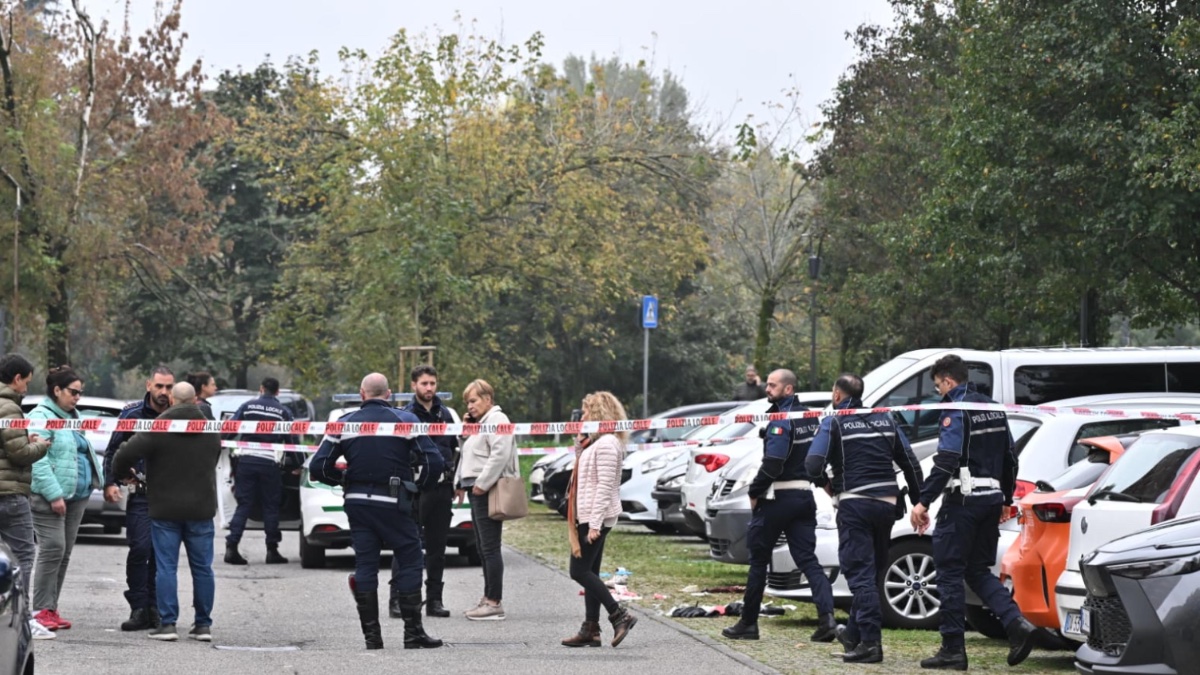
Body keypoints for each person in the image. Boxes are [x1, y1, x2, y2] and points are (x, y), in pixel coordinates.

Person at [910, 354, 1039, 670]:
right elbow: (1010, 458)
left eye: (939, 386)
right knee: (978, 570)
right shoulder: (992, 407)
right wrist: (1005, 498)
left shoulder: (955, 408)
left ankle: (953, 648)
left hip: (963, 501)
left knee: (950, 571)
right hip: (991, 499)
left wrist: (924, 501)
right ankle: (1017, 623)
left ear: (948, 381)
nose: (940, 393)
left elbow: (947, 458)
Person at [310, 373, 444, 650]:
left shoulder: (342, 424)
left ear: (361, 394)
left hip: (358, 502)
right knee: (409, 558)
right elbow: (435, 460)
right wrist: (419, 487)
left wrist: (345, 480)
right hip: (394, 500)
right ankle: (413, 633)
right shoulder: (405, 421)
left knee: (366, 564)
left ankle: (372, 637)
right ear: (390, 394)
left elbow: (319, 467)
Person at [805, 373, 924, 664]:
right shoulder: (885, 419)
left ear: (836, 396)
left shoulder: (833, 421)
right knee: (871, 573)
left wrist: (826, 484)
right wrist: (921, 502)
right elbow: (911, 464)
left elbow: (812, 464)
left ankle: (871, 645)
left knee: (860, 576)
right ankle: (854, 634)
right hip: (887, 505)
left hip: (855, 503)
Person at [721, 369, 837, 644]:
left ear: (788, 389)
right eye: (768, 383)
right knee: (808, 560)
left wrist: (755, 490)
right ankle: (827, 619)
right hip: (803, 498)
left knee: (759, 561)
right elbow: (816, 458)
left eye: (773, 385)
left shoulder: (781, 419)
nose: (767, 388)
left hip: (777, 499)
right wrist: (824, 484)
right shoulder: (811, 417)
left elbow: (773, 461)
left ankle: (748, 623)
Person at [113, 382, 222, 642]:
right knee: (203, 569)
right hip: (201, 508)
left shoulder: (158, 427)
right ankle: (203, 625)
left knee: (166, 568)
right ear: (196, 400)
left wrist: (124, 475)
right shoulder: (211, 428)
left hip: (165, 508)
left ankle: (168, 624)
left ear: (172, 399)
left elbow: (123, 455)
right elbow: (215, 457)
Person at [28, 366, 104, 632]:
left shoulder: (73, 416)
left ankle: (51, 608)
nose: (77, 397)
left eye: (80, 393)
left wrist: (100, 481)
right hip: (50, 498)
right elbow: (38, 460)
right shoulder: (41, 416)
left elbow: (81, 453)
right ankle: (39, 610)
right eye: (73, 392)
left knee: (64, 553)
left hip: (78, 496)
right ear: (56, 390)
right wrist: (54, 494)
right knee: (52, 550)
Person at [560, 391, 638, 649]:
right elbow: (584, 475)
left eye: (585, 413)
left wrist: (594, 524)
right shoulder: (597, 443)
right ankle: (590, 628)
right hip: (589, 514)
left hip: (595, 517)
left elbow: (605, 486)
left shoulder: (607, 444)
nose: (582, 418)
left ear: (598, 414)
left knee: (578, 571)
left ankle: (619, 614)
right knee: (590, 571)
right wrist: (580, 447)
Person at [103, 365, 174, 632]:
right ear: (149, 386)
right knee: (140, 549)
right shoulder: (131, 414)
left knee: (161, 554)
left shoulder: (178, 414)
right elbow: (112, 451)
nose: (164, 392)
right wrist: (110, 482)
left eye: (168, 387)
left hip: (170, 496)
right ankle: (139, 607)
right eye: (159, 386)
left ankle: (156, 608)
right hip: (141, 495)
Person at [0, 354, 53, 640]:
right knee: (23, 556)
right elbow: (18, 454)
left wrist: (24, 440)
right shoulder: (9, 408)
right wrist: (41, 446)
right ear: (16, 378)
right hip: (9, 495)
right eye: (26, 383)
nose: (26, 389)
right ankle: (23, 619)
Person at [453, 379, 516, 621]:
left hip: (487, 490)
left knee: (489, 547)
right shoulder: (481, 424)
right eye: (467, 402)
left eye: (473, 400)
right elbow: (467, 455)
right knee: (482, 546)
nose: (469, 406)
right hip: (476, 489)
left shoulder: (498, 420)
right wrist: (466, 432)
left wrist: (482, 484)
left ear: (488, 399)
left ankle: (493, 602)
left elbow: (500, 454)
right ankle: (489, 596)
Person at [400, 365, 457, 619]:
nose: (429, 388)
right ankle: (399, 599)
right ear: (414, 385)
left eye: (432, 383)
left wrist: (457, 481)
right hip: (415, 488)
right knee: (406, 544)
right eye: (424, 383)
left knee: (437, 548)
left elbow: (454, 448)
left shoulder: (444, 414)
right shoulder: (405, 415)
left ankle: (434, 600)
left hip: (442, 488)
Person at [224, 377, 297, 566]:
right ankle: (272, 551)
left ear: (261, 389)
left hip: (246, 461)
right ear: (277, 392)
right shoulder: (283, 411)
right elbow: (292, 441)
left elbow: (229, 431)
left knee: (244, 504)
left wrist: (223, 445)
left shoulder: (247, 406)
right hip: (268, 463)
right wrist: (297, 465)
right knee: (270, 506)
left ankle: (232, 546)